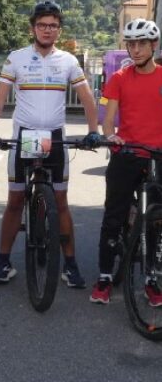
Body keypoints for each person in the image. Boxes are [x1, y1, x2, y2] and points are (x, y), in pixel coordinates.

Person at [0, 0, 99, 288]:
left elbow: (87, 98)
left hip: (55, 136)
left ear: (59, 30)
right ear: (32, 28)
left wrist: (93, 130)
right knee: (14, 201)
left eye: (53, 26)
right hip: (25, 135)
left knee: (60, 203)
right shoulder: (16, 58)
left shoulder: (69, 61)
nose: (47, 30)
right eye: (42, 25)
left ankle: (70, 265)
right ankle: (3, 261)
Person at [90, 19, 162, 305]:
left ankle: (151, 278)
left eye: (141, 43)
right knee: (113, 216)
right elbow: (108, 120)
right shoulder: (118, 78)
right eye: (131, 43)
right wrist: (111, 137)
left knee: (156, 220)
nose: (135, 49)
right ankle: (105, 276)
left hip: (157, 155)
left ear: (153, 46)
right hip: (128, 152)